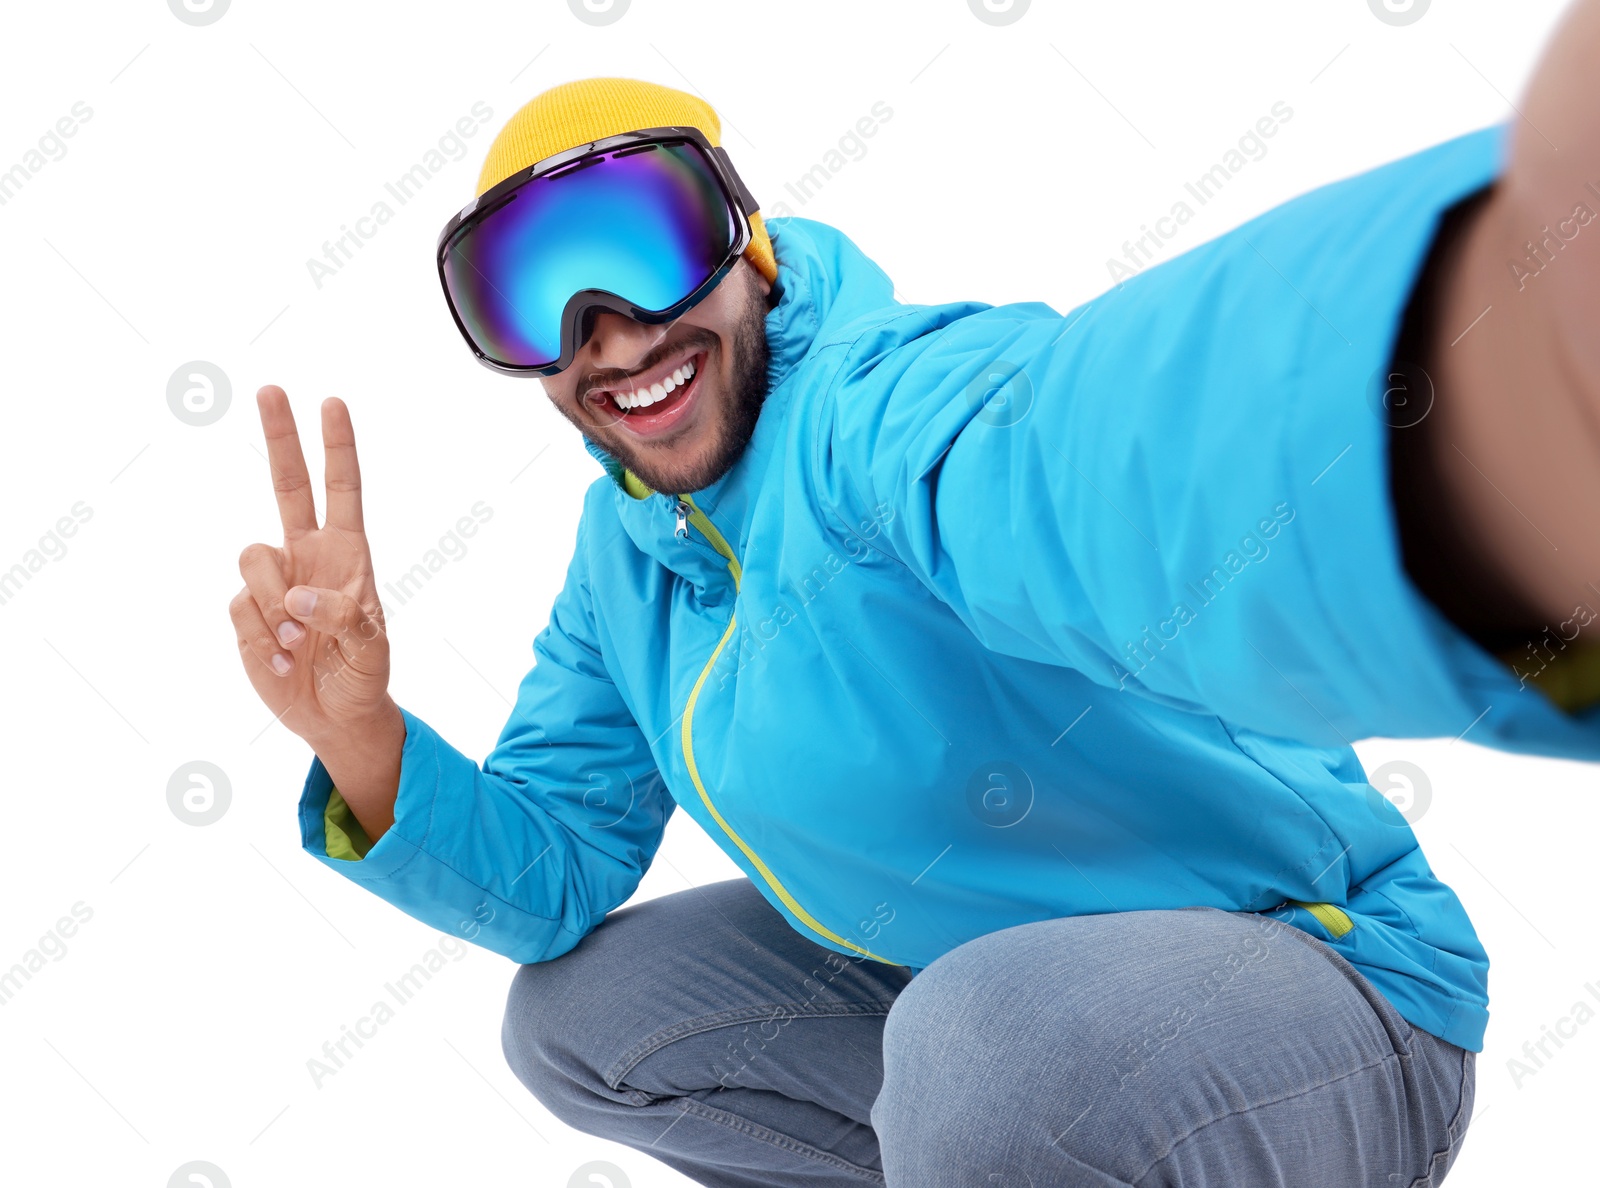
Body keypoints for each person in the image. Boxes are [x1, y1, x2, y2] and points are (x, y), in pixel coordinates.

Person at [229, 8, 1600, 1182]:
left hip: (1323, 985)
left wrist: (1497, 392)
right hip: (1025, 1015)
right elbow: (556, 879)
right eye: (539, 297)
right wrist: (364, 737)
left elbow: (1072, 464)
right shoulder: (626, 559)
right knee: (585, 1014)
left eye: (646, 244)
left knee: (980, 1043)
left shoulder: (878, 409)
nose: (613, 330)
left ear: (748, 247)